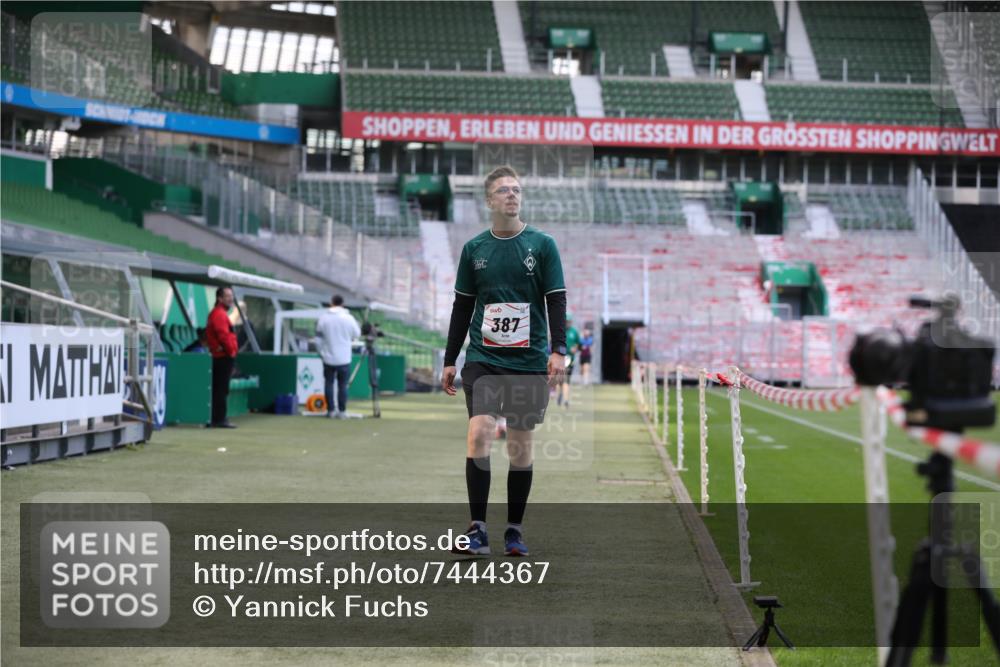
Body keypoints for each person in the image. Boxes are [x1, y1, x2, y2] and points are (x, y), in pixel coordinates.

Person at [441, 165, 567, 558]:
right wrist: (450, 358)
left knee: (519, 446)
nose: (512, 194)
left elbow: (556, 299)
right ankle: (477, 529)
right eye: (503, 190)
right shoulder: (474, 249)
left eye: (516, 189)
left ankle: (514, 530)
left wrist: (559, 350)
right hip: (483, 358)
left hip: (528, 361)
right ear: (489, 200)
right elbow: (462, 307)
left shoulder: (543, 245)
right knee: (479, 432)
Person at [315, 294, 361, 418]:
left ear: (331, 303)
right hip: (344, 358)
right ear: (343, 303)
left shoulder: (323, 318)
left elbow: (318, 340)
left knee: (329, 384)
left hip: (328, 357)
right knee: (343, 385)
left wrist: (321, 353)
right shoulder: (349, 318)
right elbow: (357, 334)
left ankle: (330, 410)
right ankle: (342, 411)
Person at [205, 286, 238, 428]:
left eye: (231, 296)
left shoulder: (219, 313)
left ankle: (217, 418)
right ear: (220, 298)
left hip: (221, 355)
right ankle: (219, 419)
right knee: (221, 389)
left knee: (219, 388)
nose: (231, 299)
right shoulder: (219, 314)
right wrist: (231, 351)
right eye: (227, 296)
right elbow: (223, 335)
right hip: (222, 357)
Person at [556, 314, 580, 408]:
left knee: (566, 380)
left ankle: (566, 400)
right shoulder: (560, 331)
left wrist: (575, 348)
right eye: (566, 321)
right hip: (560, 358)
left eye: (569, 321)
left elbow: (578, 343)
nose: (568, 323)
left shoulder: (574, 332)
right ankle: (560, 395)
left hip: (569, 359)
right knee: (560, 380)